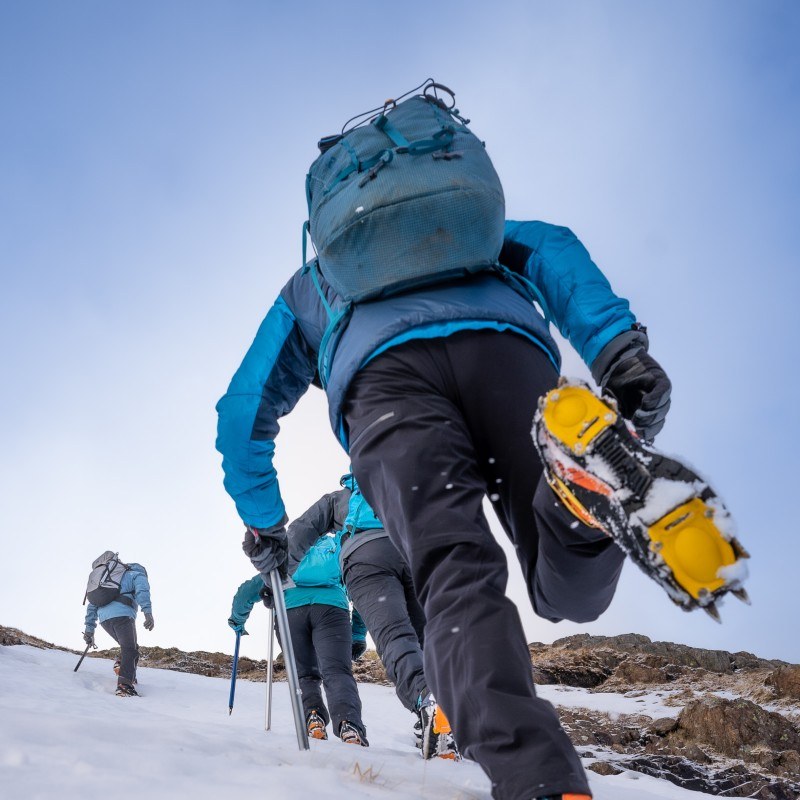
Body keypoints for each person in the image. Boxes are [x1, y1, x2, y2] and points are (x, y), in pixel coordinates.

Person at [215, 97, 676, 797]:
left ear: (334, 215)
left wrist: (265, 521)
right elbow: (552, 246)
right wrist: (617, 351)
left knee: (456, 576)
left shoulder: (316, 283)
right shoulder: (476, 229)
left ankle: (540, 781)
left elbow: (243, 410)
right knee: (568, 597)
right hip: (509, 353)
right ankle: (576, 493)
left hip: (384, 386)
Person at [286, 472, 458, 759]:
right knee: (428, 639)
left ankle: (428, 701)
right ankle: (445, 711)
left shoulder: (341, 498)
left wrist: (279, 573)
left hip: (366, 556)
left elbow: (300, 531)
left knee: (395, 635)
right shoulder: (405, 485)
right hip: (415, 554)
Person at [228, 534, 368, 745]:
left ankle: (313, 717)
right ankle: (349, 725)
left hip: (290, 614)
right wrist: (358, 634)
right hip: (332, 610)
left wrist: (237, 621)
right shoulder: (338, 552)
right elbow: (360, 592)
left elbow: (246, 591)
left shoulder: (288, 554)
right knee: (337, 671)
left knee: (304, 674)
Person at [83, 557, 154, 697]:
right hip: (123, 616)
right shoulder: (136, 574)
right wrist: (148, 612)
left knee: (131, 647)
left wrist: (89, 630)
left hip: (105, 619)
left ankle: (127, 672)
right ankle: (124, 685)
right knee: (130, 650)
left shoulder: (107, 581)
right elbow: (142, 591)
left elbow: (92, 605)